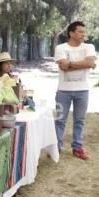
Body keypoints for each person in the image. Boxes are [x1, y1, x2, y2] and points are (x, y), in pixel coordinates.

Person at [54, 21, 96, 160]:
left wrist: (70, 64)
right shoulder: (60, 48)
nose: (83, 34)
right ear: (71, 33)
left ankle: (77, 148)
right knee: (60, 120)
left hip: (82, 91)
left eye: (84, 32)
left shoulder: (89, 46)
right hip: (63, 91)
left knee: (80, 120)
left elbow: (89, 63)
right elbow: (63, 67)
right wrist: (84, 64)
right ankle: (56, 148)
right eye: (80, 32)